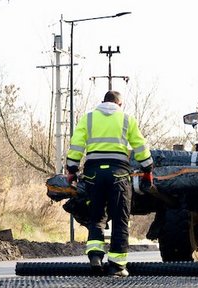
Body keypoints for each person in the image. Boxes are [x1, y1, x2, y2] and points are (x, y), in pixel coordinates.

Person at [65, 90, 153, 277]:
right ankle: (117, 266)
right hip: (119, 174)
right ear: (119, 104)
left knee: (96, 216)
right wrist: (148, 168)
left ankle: (96, 255)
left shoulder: (88, 119)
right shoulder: (127, 119)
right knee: (120, 219)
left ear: (102, 101)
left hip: (93, 174)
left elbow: (76, 145)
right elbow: (140, 146)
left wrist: (72, 170)